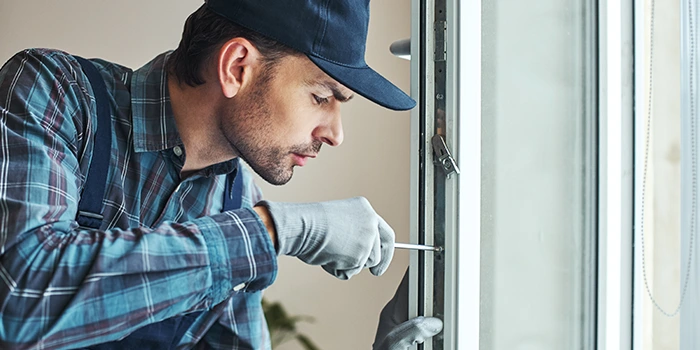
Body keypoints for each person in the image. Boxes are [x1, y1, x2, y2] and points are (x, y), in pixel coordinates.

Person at [0, 0, 442, 349]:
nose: (335, 135)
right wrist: (276, 230)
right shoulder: (55, 93)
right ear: (237, 68)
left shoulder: (233, 203)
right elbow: (20, 296)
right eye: (321, 96)